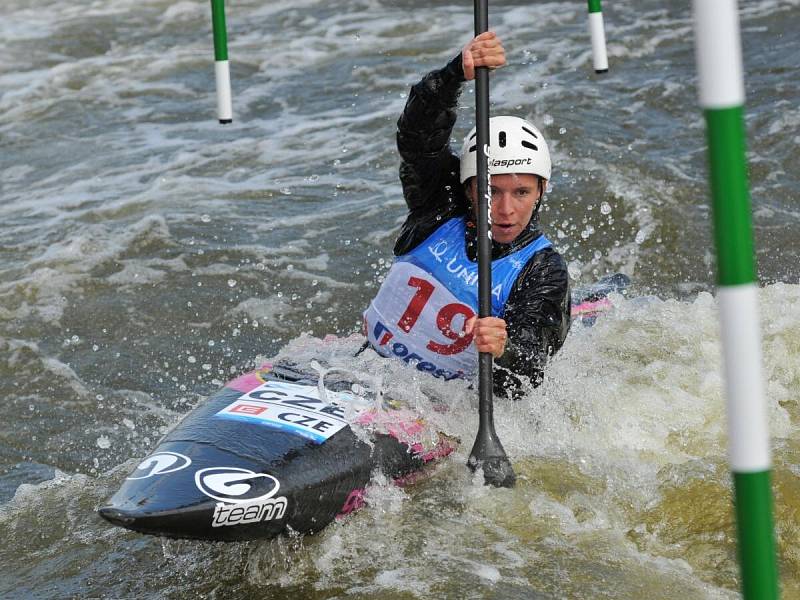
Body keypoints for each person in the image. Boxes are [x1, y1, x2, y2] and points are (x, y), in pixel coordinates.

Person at [363, 32, 571, 398]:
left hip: (434, 404)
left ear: (541, 190)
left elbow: (534, 365)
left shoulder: (543, 270)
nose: (505, 210)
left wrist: (506, 349)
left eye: (521, 192)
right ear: (468, 188)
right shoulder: (440, 206)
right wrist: (454, 74)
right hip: (363, 364)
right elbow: (417, 136)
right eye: (491, 191)